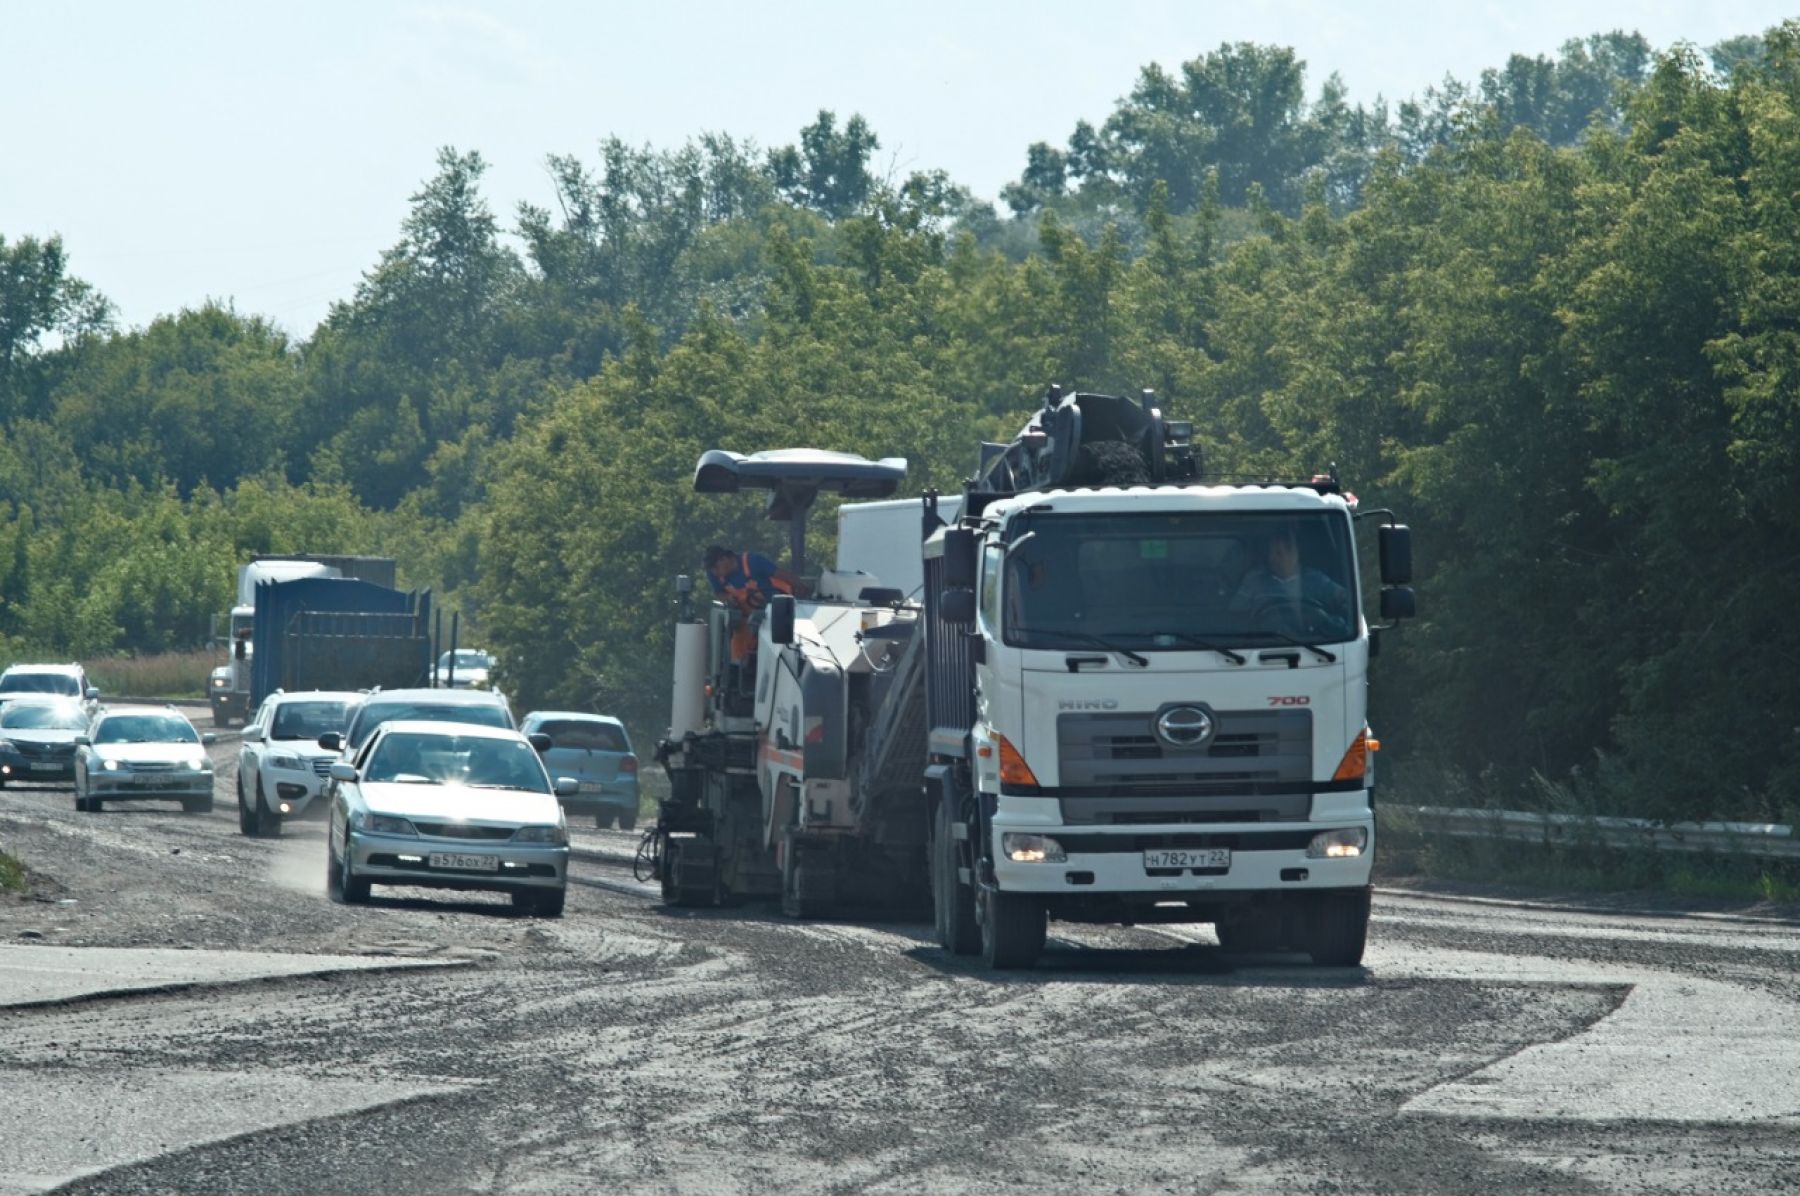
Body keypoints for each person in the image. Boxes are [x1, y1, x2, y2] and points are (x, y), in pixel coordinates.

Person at [1229, 525, 1349, 629]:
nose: (1275, 558)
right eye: (1272, 552)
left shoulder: (1316, 580)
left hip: (1312, 643)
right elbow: (1235, 614)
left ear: (1296, 553)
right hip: (1262, 642)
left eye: (1281, 552)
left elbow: (1345, 600)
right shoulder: (1254, 580)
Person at [703, 545, 796, 662]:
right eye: (711, 569)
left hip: (776, 615)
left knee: (780, 648)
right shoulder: (714, 575)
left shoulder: (753, 562)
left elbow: (783, 575)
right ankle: (738, 672)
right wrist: (728, 599)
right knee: (737, 650)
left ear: (724, 559)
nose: (714, 573)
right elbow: (719, 593)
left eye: (716, 567)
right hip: (746, 619)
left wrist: (801, 588)